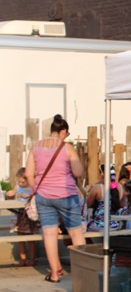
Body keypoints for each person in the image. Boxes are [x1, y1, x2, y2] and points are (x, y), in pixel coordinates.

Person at [25, 114, 86, 283]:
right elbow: (78, 172)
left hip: (43, 196)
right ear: (63, 131)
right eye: (67, 134)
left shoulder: (35, 147)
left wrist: (38, 189)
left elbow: (29, 174)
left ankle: (54, 273)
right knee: (76, 233)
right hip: (66, 195)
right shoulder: (67, 148)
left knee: (49, 234)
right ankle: (81, 274)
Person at [5, 167, 37, 266]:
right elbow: (10, 195)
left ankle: (31, 259)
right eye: (19, 182)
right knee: (20, 238)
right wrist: (9, 194)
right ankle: (23, 259)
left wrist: (30, 197)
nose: (20, 184)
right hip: (19, 215)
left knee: (31, 239)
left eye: (23, 182)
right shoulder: (17, 187)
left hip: (29, 216)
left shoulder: (32, 188)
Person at [85, 164, 122, 232]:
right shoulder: (120, 187)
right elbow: (122, 205)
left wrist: (85, 191)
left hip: (100, 225)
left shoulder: (98, 188)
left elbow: (86, 205)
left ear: (102, 174)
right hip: (115, 225)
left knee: (83, 227)